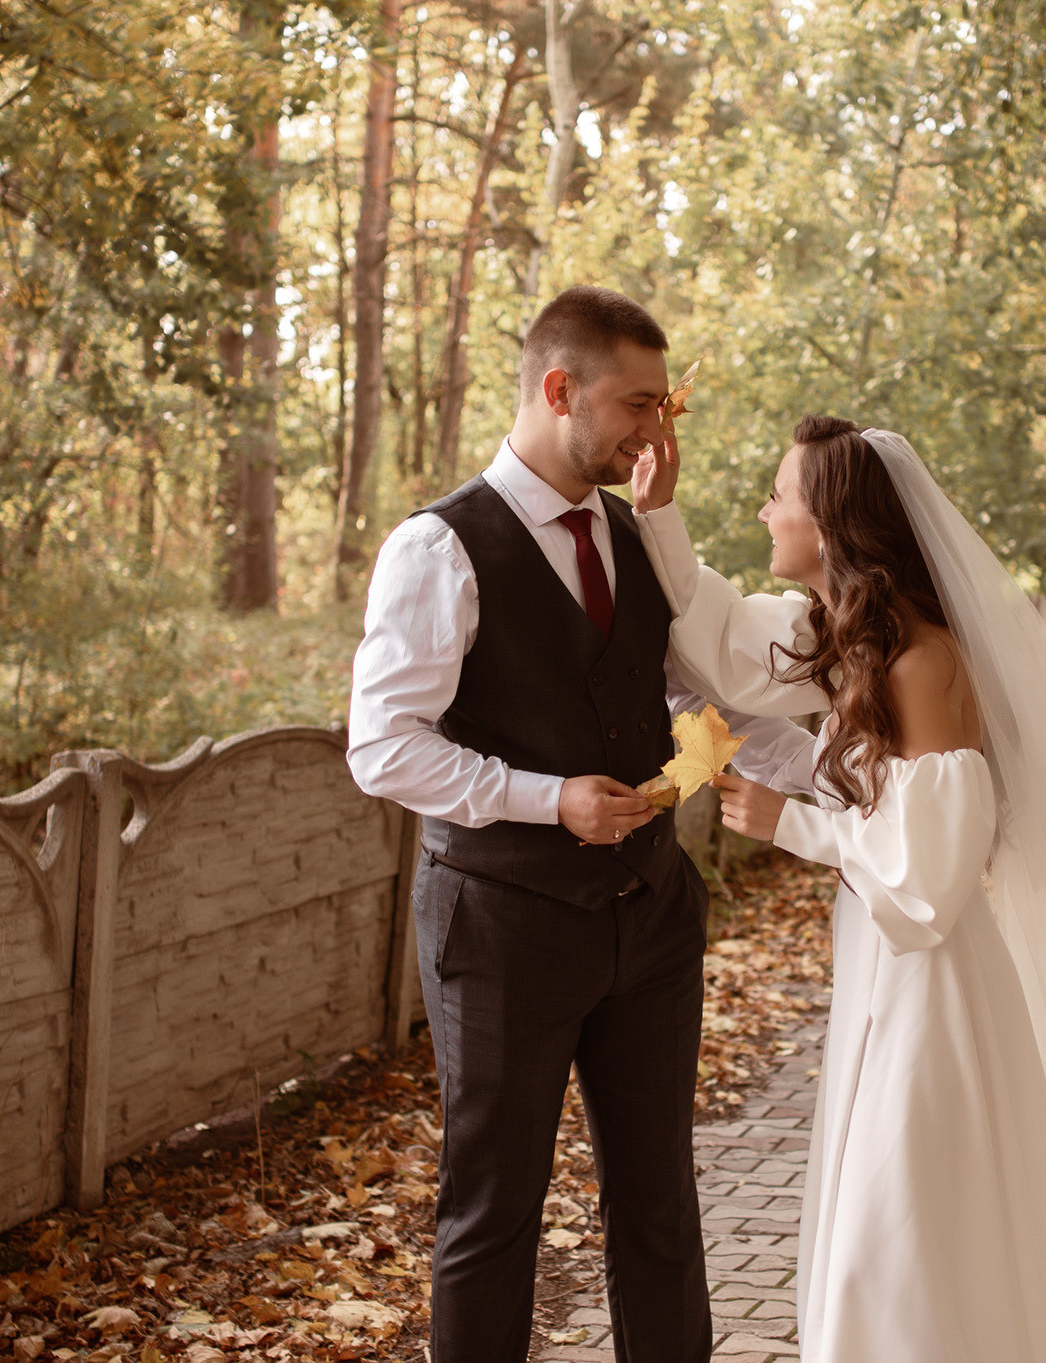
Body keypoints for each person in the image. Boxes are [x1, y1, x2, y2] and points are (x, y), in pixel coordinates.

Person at [629, 414, 1046, 1361]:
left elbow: (931, 876)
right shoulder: (853, 642)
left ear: (832, 525)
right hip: (880, 965)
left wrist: (787, 818)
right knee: (894, 1217)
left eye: (779, 495)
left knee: (897, 1228)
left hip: (927, 986)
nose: (765, 511)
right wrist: (659, 515)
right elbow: (722, 645)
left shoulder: (922, 663)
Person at [346, 286, 812, 1363]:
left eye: (664, 406)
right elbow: (379, 746)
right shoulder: (438, 547)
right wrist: (543, 797)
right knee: (492, 1210)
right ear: (560, 390)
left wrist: (873, 786)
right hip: (502, 921)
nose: (657, 431)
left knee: (658, 1201)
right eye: (638, 404)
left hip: (649, 919)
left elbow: (724, 702)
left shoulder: (641, 535)